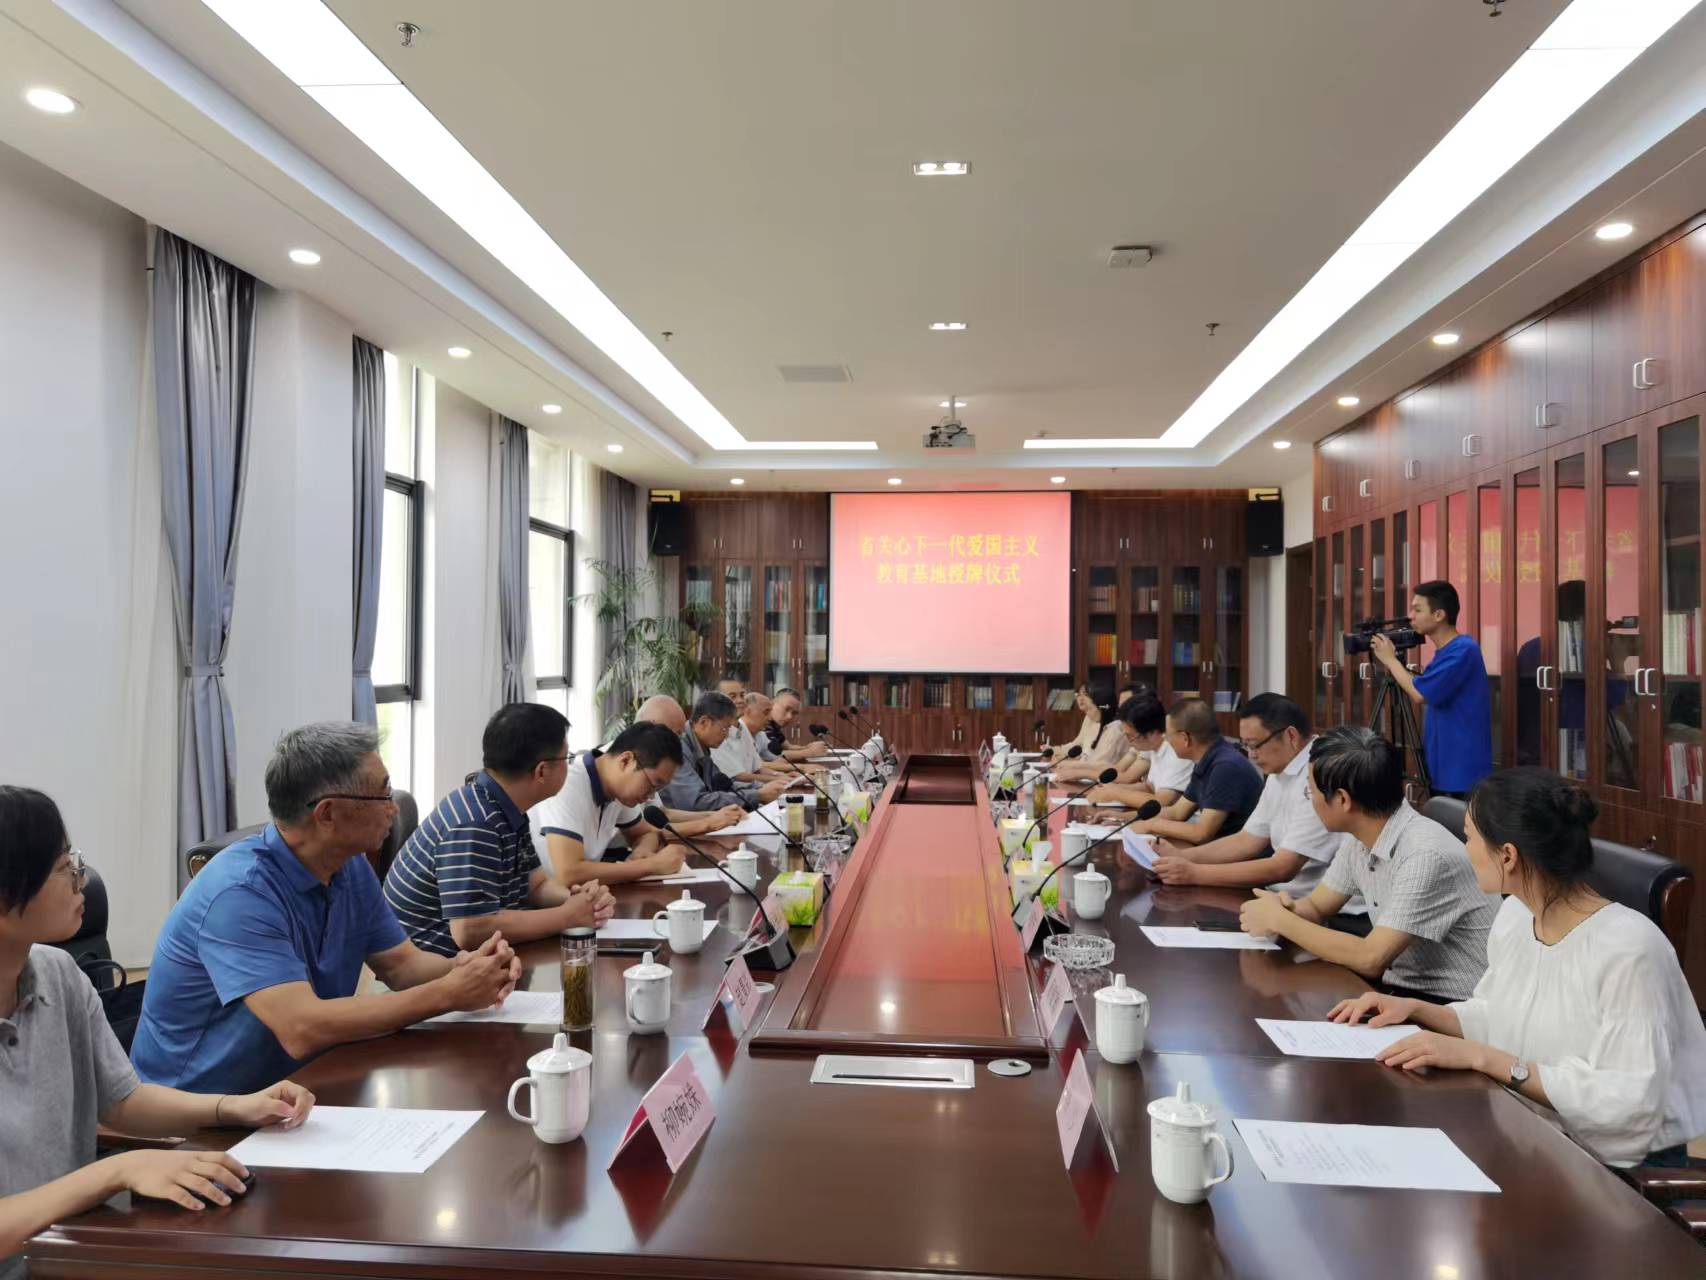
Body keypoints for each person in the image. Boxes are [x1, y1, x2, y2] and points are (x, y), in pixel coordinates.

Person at [0, 787, 316, 1273]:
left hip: (69, 1254)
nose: (81, 878)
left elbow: (122, 1102)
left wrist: (233, 1108)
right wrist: (117, 1171)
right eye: (64, 866)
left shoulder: (58, 974)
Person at [1330, 768, 1706, 1169]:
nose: (1465, 849)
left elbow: (1626, 1103)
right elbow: (1498, 1014)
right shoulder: (1515, 915)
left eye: (1470, 837)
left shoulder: (1630, 948)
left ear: (1507, 856)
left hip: (1618, 1171)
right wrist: (1418, 1010)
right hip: (1534, 1136)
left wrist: (1485, 1058)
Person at [132, 722, 521, 1096]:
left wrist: (473, 967)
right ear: (327, 814)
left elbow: (403, 966)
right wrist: (448, 994)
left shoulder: (349, 865)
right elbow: (301, 1029)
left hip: (298, 1086)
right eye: (383, 795)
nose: (393, 809)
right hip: (201, 1109)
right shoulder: (238, 895)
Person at [1240, 725, 1495, 1001]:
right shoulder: (1361, 838)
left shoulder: (1425, 856)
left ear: (1342, 799)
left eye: (1310, 792)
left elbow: (1370, 958)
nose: (1310, 800)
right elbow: (1316, 907)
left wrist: (1281, 920)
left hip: (1449, 1005)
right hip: (1399, 993)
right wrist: (1282, 909)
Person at [384, 704, 615, 956]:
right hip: (435, 969)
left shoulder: (505, 806)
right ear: (541, 771)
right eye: (566, 759)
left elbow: (535, 886)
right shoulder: (475, 823)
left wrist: (579, 901)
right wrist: (566, 917)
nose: (569, 767)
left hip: (480, 960)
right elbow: (470, 930)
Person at [1151, 695, 1342, 894]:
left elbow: (1283, 867)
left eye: (1255, 745)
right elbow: (1247, 840)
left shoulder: (1320, 774)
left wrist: (1194, 873)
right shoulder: (1280, 769)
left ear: (1290, 736)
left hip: (1310, 903)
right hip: (1276, 894)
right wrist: (1182, 856)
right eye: (1246, 746)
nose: (1251, 755)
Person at [1369, 579, 1491, 798]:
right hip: (1443, 763)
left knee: (1454, 818)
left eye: (1417, 610)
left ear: (1439, 615)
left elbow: (1420, 693)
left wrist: (1390, 660)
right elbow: (1422, 685)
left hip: (1460, 771)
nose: (1411, 616)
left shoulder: (1463, 649)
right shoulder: (1446, 652)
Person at [532, 722, 688, 885]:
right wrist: (651, 865)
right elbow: (569, 873)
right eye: (652, 785)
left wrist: (641, 851)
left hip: (585, 894)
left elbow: (645, 833)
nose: (651, 796)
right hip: (543, 897)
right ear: (626, 761)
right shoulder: (567, 784)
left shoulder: (617, 789)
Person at [1125, 698, 1263, 845]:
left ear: (1185, 738)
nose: (1166, 740)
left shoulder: (1225, 766)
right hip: (1217, 848)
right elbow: (1177, 812)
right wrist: (1124, 819)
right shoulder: (1206, 758)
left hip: (1239, 854)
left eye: (1168, 735)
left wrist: (1151, 825)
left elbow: (1201, 833)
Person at [633, 695, 745, 837]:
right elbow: (645, 833)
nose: (678, 743)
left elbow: (663, 813)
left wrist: (715, 815)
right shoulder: (632, 760)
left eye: (680, 735)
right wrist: (708, 823)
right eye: (675, 735)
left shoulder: (650, 757)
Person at [665, 693, 792, 812]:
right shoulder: (678, 749)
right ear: (704, 722)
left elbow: (726, 785)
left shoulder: (702, 745)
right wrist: (757, 795)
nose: (726, 736)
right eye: (725, 728)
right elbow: (695, 802)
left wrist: (760, 789)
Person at [714, 692, 792, 784]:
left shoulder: (743, 729)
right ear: (748, 711)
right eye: (733, 696)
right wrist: (782, 779)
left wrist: (780, 775)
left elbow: (757, 768)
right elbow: (739, 776)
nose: (740, 701)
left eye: (742, 695)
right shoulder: (718, 735)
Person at [767, 687, 830, 762]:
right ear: (772, 703)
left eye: (794, 713)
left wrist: (807, 747)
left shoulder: (774, 725)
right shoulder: (761, 724)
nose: (789, 717)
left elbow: (788, 747)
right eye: (786, 709)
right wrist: (810, 752)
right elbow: (771, 755)